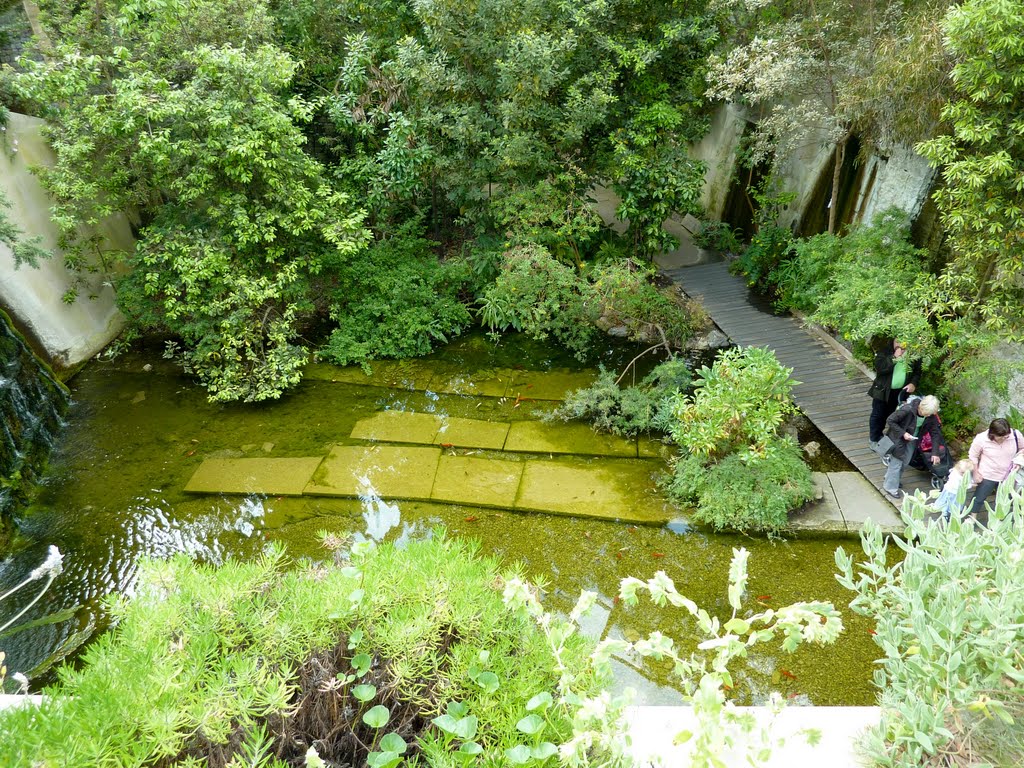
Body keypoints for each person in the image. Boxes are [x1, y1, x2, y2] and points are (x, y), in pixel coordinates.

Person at [882, 394, 942, 499]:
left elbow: (935, 434)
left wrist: (935, 453)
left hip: (912, 440)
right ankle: (890, 487)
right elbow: (890, 420)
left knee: (905, 462)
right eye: (926, 413)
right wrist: (903, 433)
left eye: (930, 414)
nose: (928, 416)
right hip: (898, 438)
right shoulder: (907, 410)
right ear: (921, 407)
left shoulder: (931, 416)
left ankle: (892, 478)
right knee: (897, 463)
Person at [967, 418, 1024, 525]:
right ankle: (972, 518)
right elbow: (973, 456)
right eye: (1000, 437)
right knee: (979, 497)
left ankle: (1000, 521)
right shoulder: (981, 439)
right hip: (988, 474)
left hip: (1008, 475)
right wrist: (975, 473)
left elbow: (1022, 449)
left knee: (1004, 499)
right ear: (992, 433)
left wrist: (1018, 461)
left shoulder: (1015, 435)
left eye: (1006, 437)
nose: (1004, 439)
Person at [868, 339, 921, 450]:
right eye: (897, 342)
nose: (899, 345)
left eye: (903, 342)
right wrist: (894, 358)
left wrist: (913, 383)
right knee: (878, 415)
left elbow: (917, 371)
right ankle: (874, 438)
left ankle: (886, 438)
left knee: (893, 415)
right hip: (883, 390)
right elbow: (880, 368)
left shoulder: (914, 353)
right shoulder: (885, 351)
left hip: (900, 392)